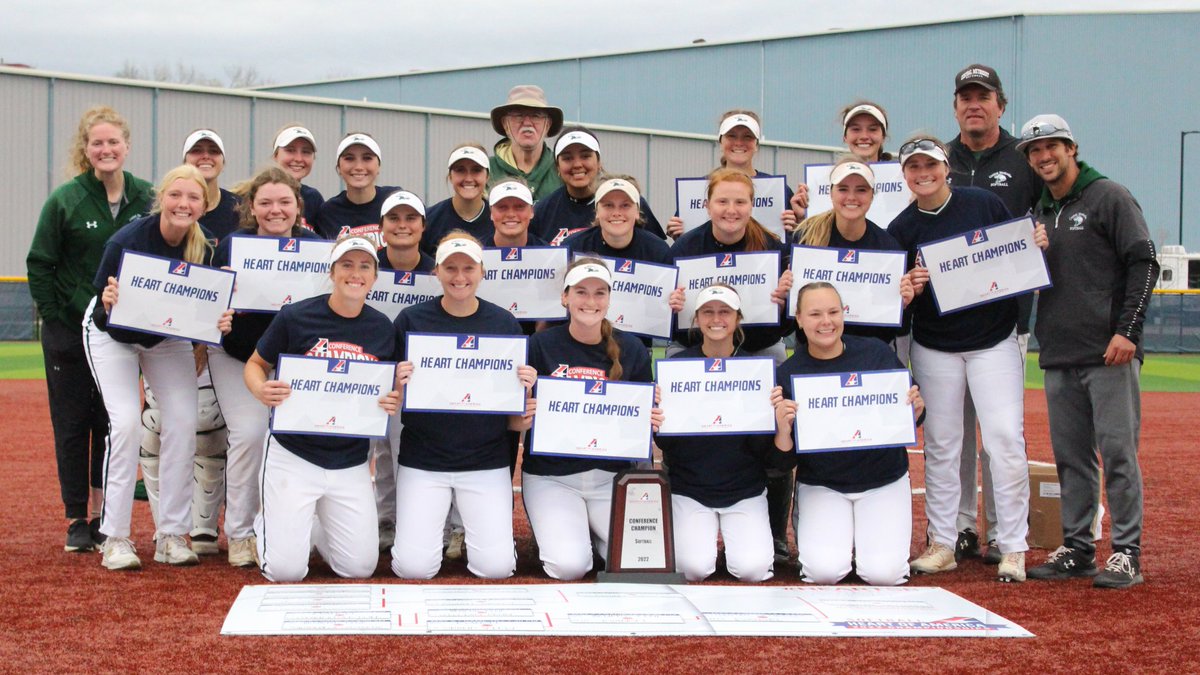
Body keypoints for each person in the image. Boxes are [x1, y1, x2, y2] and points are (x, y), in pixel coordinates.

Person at [1017, 114, 1157, 589]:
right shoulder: (1038, 213)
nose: (1044, 157)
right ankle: (1078, 547)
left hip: (1109, 351)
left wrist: (1128, 331)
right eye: (1035, 151)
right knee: (1071, 457)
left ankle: (1127, 552)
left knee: (1117, 452)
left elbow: (1145, 260)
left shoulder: (1108, 196)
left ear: (1071, 148)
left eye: (1052, 147)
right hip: (1059, 351)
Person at [886, 136, 1034, 583]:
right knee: (943, 445)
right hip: (935, 346)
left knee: (1005, 438)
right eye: (913, 166)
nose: (923, 172)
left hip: (993, 339)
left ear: (945, 166)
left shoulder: (982, 203)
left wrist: (1033, 242)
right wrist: (908, 290)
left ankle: (1013, 547)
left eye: (930, 164)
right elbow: (897, 307)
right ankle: (943, 543)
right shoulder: (901, 228)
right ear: (905, 175)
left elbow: (1015, 256)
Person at [83, 164, 232, 571]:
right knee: (128, 422)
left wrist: (215, 322)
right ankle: (114, 536)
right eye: (176, 195)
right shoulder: (126, 241)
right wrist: (112, 301)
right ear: (161, 198)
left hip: (164, 338)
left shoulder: (203, 248)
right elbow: (101, 315)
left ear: (203, 206)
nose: (184, 204)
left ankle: (171, 533)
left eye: (193, 198)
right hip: (112, 334)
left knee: (183, 420)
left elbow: (202, 308)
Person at [27, 105, 154, 553]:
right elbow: (39, 263)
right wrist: (60, 315)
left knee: (112, 421)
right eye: (97, 143)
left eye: (113, 142)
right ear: (86, 149)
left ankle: (104, 512)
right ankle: (75, 517)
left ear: (127, 146)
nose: (106, 149)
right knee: (72, 422)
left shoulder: (146, 197)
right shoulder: (66, 199)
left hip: (121, 332)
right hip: (69, 331)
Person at [244, 236, 401, 582]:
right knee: (285, 572)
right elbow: (255, 364)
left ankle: (310, 526)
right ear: (332, 271)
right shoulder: (296, 316)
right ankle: (267, 523)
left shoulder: (382, 328)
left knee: (358, 569)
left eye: (364, 266)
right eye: (346, 264)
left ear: (375, 277)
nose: (355, 273)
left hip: (350, 460)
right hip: (294, 453)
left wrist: (393, 398)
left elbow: (387, 389)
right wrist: (261, 388)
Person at [390, 233, 536, 580]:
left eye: (468, 268)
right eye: (451, 268)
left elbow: (514, 420)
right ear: (436, 272)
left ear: (482, 271)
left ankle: (477, 538)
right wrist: (396, 380)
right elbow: (390, 398)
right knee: (413, 569)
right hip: (424, 461)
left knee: (497, 568)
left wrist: (526, 402)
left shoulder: (503, 324)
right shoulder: (411, 321)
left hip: (485, 462)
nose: (459, 276)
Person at [667, 167, 794, 564]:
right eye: (723, 201)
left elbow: (790, 321)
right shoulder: (685, 248)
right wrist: (669, 309)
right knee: (685, 428)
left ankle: (773, 534)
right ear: (707, 205)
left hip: (761, 352)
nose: (731, 209)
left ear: (752, 205)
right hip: (698, 349)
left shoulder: (772, 246)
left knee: (771, 439)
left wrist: (785, 303)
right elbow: (674, 324)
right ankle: (685, 513)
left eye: (740, 201)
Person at [947, 64, 1045, 564]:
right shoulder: (939, 159)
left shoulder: (1023, 160)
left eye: (983, 96)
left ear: (1000, 105)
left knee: (1001, 433)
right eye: (965, 97)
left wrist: (1044, 234)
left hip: (1005, 321)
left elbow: (1049, 212)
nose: (973, 105)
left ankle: (1005, 532)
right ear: (956, 106)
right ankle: (962, 527)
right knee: (954, 435)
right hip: (943, 324)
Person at [518, 258, 661, 580]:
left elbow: (640, 425)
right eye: (581, 292)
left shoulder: (632, 348)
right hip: (552, 477)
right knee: (569, 567)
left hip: (611, 478)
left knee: (643, 560)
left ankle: (595, 536)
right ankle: (575, 535)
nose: (590, 301)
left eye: (599, 293)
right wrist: (523, 410)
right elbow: (517, 418)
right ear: (564, 297)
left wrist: (648, 417)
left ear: (609, 299)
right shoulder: (539, 346)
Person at [208, 167, 322, 567]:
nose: (276, 210)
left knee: (302, 439)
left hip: (293, 362)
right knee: (251, 435)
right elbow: (213, 310)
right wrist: (218, 305)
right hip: (237, 355)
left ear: (298, 206)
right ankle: (239, 533)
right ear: (251, 208)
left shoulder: (315, 247)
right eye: (266, 203)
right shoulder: (233, 246)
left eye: (284, 202)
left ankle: (285, 528)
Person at [774, 282, 924, 586]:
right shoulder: (789, 373)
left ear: (844, 313)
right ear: (799, 320)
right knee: (823, 572)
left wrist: (917, 409)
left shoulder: (877, 353)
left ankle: (870, 546)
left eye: (832, 312)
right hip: (823, 484)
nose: (826, 321)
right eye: (815, 314)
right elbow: (782, 459)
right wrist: (783, 428)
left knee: (884, 574)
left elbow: (913, 416)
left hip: (883, 478)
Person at [656, 284, 787, 582]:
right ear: (697, 319)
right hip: (690, 489)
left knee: (753, 570)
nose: (717, 319)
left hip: (744, 490)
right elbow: (665, 442)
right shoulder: (677, 368)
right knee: (693, 569)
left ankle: (741, 542)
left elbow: (768, 450)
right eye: (708, 312)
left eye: (725, 312)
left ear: (738, 318)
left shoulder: (757, 371)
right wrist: (659, 418)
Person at [788, 158, 912, 348]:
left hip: (868, 351)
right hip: (814, 351)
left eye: (861, 190)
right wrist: (784, 292)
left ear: (872, 195)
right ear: (830, 193)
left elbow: (890, 329)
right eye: (843, 189)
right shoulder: (806, 238)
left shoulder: (888, 247)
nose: (851, 197)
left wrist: (899, 304)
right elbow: (795, 315)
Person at [372, 190, 435, 552]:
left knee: (402, 449)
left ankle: (411, 521)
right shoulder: (367, 264)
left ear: (423, 226)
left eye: (411, 218)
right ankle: (384, 518)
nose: (402, 225)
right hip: (371, 368)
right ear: (381, 227)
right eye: (394, 218)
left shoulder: (435, 269)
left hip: (420, 377)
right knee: (375, 448)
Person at [667, 110, 797, 238]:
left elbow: (792, 243)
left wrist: (797, 225)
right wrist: (677, 232)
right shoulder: (698, 189)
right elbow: (688, 243)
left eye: (747, 137)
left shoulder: (778, 190)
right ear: (720, 142)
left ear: (756, 144)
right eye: (731, 136)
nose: (739, 143)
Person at [532, 127, 665, 245]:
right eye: (567, 158)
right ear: (557, 167)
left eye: (585, 156)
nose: (577, 164)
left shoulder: (630, 202)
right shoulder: (543, 211)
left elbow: (657, 254)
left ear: (599, 161)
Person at [787, 102, 894, 217]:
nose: (864, 136)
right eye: (856, 129)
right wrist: (804, 220)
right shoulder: (822, 180)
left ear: (883, 136)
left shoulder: (901, 181)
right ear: (845, 137)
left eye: (872, 129)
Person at [562, 175, 671, 264]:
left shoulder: (658, 252)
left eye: (625, 205)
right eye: (608, 205)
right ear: (597, 212)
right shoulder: (573, 247)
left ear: (637, 211)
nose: (616, 213)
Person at [316, 132, 400, 248]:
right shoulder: (328, 212)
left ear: (378, 166)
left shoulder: (395, 201)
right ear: (339, 168)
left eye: (367, 158)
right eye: (349, 158)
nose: (359, 167)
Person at [489, 85, 564, 201]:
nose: (527, 123)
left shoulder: (562, 170)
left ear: (547, 125)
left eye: (536, 116)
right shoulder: (486, 170)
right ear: (505, 124)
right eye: (519, 115)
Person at [422, 144, 492, 256]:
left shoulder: (499, 219)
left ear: (487, 176)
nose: (468, 178)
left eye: (476, 170)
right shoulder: (430, 219)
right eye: (460, 170)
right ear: (450, 176)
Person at [182, 129, 241, 242]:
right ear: (185, 161)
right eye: (196, 150)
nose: (205, 156)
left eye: (213, 151)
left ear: (223, 163)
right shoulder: (167, 206)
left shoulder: (240, 208)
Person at [271, 123, 324, 230]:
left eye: (306, 152)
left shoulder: (313, 198)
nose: (298, 158)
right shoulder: (254, 194)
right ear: (275, 155)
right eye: (290, 150)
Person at [485, 180, 546, 248]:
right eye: (502, 207)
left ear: (531, 211)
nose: (511, 214)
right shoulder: (477, 252)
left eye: (519, 207)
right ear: (491, 212)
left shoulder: (549, 254)